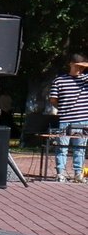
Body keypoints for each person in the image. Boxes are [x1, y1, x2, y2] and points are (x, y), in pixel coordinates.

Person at [48, 53, 88, 182]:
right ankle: (60, 173)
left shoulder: (86, 80)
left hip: (83, 119)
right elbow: (53, 99)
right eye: (77, 66)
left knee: (80, 149)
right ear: (70, 64)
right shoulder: (59, 80)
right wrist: (62, 108)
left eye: (82, 67)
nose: (80, 69)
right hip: (65, 119)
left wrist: (85, 65)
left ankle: (78, 173)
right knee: (62, 147)